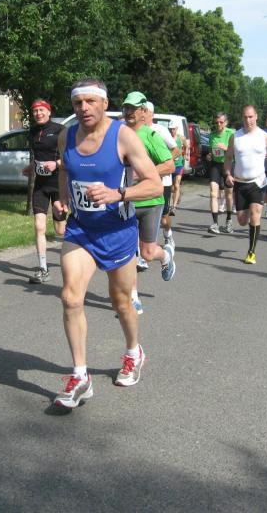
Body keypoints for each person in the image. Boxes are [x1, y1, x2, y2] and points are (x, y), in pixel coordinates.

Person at [51, 79, 162, 409]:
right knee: (70, 297)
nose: (83, 108)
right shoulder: (66, 135)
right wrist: (63, 199)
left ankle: (133, 351)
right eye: (78, 103)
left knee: (121, 302)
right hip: (81, 230)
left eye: (90, 101)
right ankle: (80, 376)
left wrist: (119, 194)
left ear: (104, 103)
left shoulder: (123, 136)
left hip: (117, 231)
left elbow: (154, 184)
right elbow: (64, 170)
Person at [122, 94, 177, 313]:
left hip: (151, 202)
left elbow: (169, 165)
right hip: (126, 200)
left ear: (144, 111)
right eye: (126, 107)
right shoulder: (119, 134)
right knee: (128, 251)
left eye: (133, 108)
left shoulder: (151, 135)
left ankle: (165, 256)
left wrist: (144, 173)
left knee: (146, 253)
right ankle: (132, 297)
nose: (129, 112)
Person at [223, 105, 267, 264]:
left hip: (258, 181)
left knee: (255, 215)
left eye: (251, 117)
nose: (248, 120)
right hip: (240, 183)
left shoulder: (263, 136)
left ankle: (251, 253)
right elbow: (228, 158)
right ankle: (249, 213)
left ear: (256, 117)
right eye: (245, 117)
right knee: (242, 220)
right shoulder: (235, 137)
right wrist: (228, 174)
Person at [23, 99, 66, 284]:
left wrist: (56, 163)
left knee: (60, 230)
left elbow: (71, 157)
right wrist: (31, 167)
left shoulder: (60, 130)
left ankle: (82, 244)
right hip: (40, 186)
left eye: (42, 110)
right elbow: (38, 157)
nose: (38, 113)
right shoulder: (33, 132)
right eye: (35, 111)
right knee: (39, 226)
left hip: (58, 184)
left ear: (49, 112)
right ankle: (43, 268)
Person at [145, 101, 181, 251]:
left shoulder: (160, 130)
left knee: (163, 217)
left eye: (145, 111)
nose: (142, 114)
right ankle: (145, 248)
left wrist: (164, 163)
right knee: (145, 213)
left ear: (151, 114)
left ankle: (168, 234)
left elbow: (176, 150)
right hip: (144, 180)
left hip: (163, 180)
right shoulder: (134, 131)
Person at [206, 112, 236, 234]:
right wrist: (209, 156)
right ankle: (215, 224)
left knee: (229, 194)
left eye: (221, 122)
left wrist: (226, 148)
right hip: (215, 165)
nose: (218, 124)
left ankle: (229, 220)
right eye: (217, 122)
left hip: (228, 165)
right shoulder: (212, 135)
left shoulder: (231, 134)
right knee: (213, 193)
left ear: (226, 122)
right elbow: (210, 151)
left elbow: (237, 153)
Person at [168, 118, 188, 216]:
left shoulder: (181, 138)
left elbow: (186, 146)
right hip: (169, 165)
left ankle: (174, 207)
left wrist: (185, 154)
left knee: (176, 185)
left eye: (173, 129)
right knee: (170, 187)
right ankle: (177, 194)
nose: (172, 131)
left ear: (177, 128)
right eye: (170, 129)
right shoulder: (167, 138)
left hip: (179, 164)